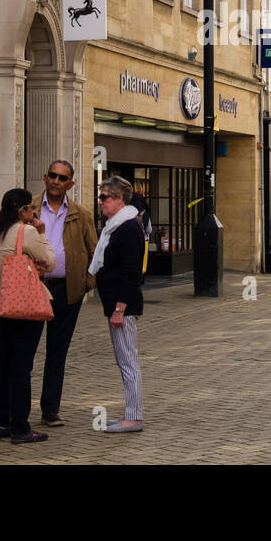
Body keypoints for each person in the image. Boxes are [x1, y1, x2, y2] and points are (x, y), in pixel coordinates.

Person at [0, 187, 54, 444]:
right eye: (31, 208)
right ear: (22, 210)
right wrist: (43, 235)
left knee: (1, 364)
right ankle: (20, 427)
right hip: (24, 305)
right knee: (21, 367)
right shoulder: (28, 232)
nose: (34, 212)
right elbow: (50, 260)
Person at [32, 160, 98, 428]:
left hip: (67, 291)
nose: (56, 181)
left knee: (57, 352)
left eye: (62, 178)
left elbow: (95, 252)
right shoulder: (30, 208)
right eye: (52, 176)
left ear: (70, 183)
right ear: (45, 177)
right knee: (25, 351)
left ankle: (50, 410)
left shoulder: (81, 214)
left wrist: (86, 284)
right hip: (35, 288)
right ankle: (19, 411)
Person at [90, 175, 146, 432]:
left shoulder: (128, 228)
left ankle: (133, 417)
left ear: (119, 199)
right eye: (100, 196)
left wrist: (119, 309)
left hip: (122, 307)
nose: (100, 201)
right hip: (116, 305)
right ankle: (131, 413)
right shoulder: (115, 226)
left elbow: (132, 273)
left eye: (105, 197)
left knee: (128, 362)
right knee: (124, 361)